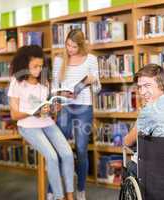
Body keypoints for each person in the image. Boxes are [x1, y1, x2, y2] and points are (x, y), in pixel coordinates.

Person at [8, 45, 74, 200]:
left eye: (41, 66)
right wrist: (33, 112)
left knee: (67, 154)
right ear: (24, 66)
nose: (39, 70)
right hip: (27, 126)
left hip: (47, 122)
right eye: (35, 66)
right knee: (52, 157)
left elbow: (47, 107)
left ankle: (70, 195)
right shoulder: (16, 83)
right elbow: (14, 114)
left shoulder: (44, 82)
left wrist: (53, 108)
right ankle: (59, 197)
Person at [51, 29, 101, 200]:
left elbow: (98, 88)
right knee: (58, 150)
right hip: (65, 107)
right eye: (68, 45)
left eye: (73, 46)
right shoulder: (59, 60)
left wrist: (91, 81)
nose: (70, 49)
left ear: (81, 45)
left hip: (84, 108)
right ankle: (53, 191)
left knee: (81, 150)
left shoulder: (91, 59)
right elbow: (53, 87)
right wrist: (58, 97)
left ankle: (80, 190)